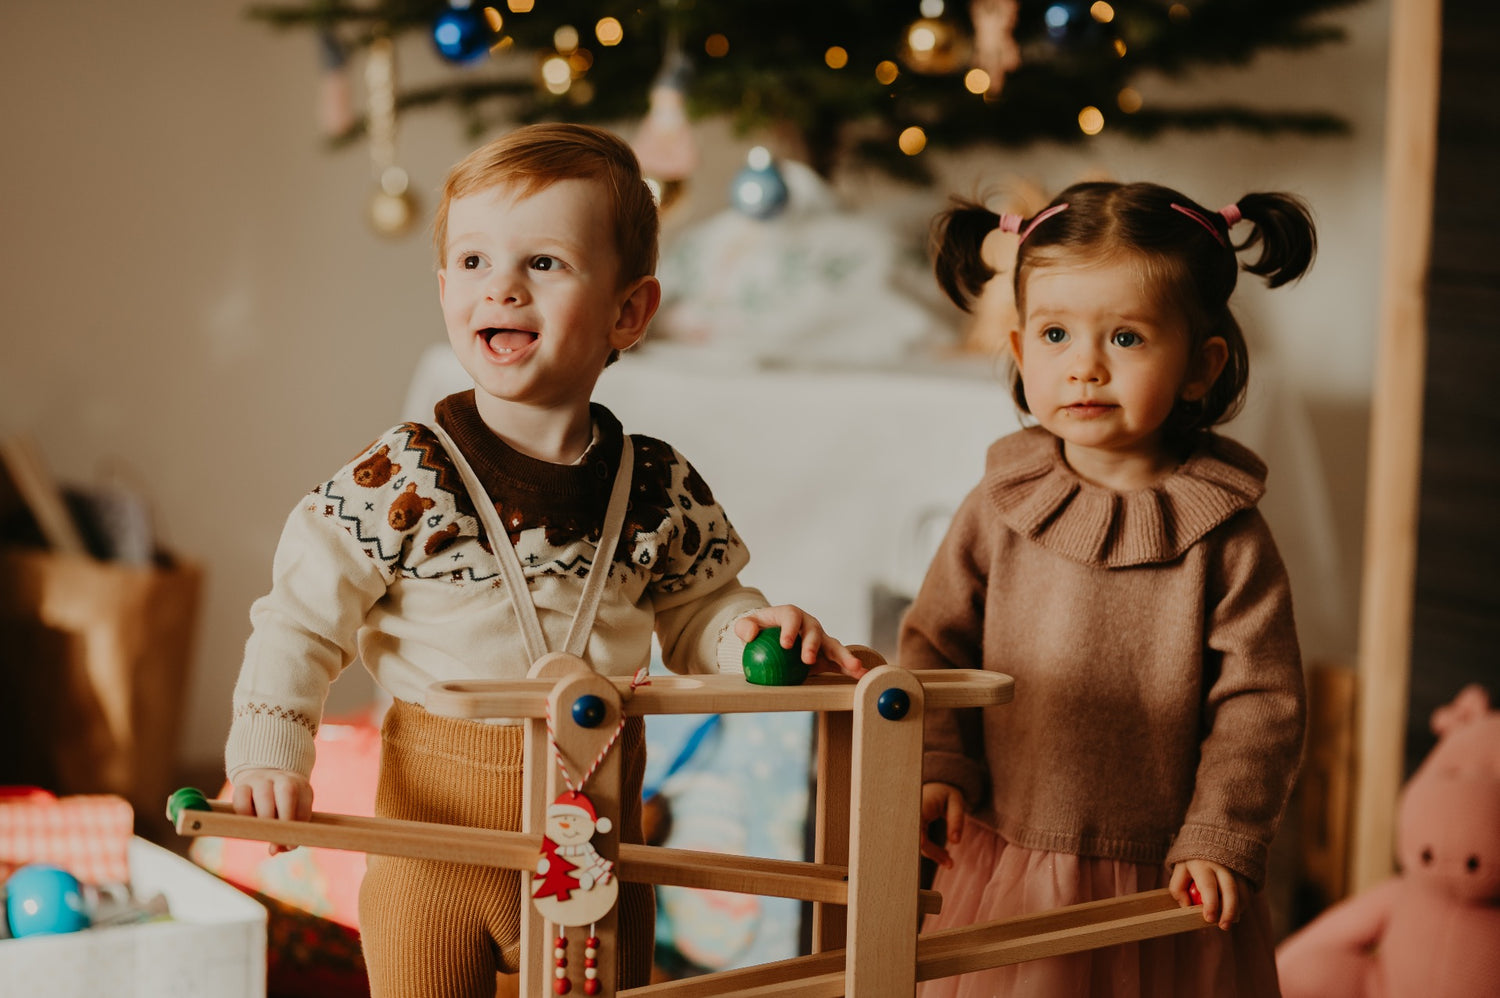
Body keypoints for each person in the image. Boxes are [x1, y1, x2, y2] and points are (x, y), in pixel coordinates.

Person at [223, 122, 864, 997]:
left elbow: (702, 612)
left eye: (546, 264)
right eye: (476, 263)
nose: (505, 290)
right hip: (433, 856)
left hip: (599, 853)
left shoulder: (659, 485)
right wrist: (269, 754)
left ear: (628, 312)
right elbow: (299, 618)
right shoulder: (401, 476)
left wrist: (750, 628)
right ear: (445, 287)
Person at [903, 181, 1313, 997]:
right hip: (1009, 851)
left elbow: (1261, 703)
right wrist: (941, 761)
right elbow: (937, 642)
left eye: (1125, 337)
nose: (1085, 366)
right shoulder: (1001, 504)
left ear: (1202, 365)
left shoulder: (1227, 535)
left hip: (1166, 869)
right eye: (1056, 334)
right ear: (1022, 355)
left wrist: (1221, 833)